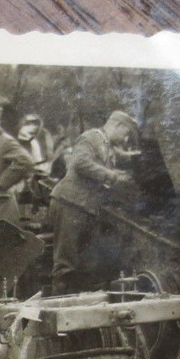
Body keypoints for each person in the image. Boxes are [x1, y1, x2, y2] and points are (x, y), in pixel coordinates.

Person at [49, 110, 139, 294]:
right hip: (70, 203)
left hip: (85, 208)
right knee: (66, 264)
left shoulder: (107, 146)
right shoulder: (90, 137)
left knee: (86, 265)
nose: (125, 139)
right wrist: (111, 175)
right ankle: (58, 304)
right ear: (118, 125)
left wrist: (116, 176)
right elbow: (81, 163)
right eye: (126, 133)